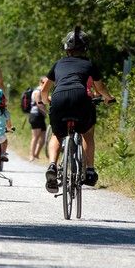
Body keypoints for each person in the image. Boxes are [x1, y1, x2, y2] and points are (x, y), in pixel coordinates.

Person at [39, 27, 115, 190]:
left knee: (57, 134)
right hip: (80, 97)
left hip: (58, 97)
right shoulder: (89, 64)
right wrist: (109, 98)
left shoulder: (58, 64)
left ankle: (52, 165)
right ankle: (89, 170)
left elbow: (44, 90)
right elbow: (100, 89)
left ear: (67, 49)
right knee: (87, 132)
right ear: (85, 48)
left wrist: (46, 101)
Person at [28, 76, 47, 161]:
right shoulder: (37, 92)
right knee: (35, 137)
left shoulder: (43, 91)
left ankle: (36, 154)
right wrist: (46, 112)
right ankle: (31, 155)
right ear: (40, 82)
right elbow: (39, 103)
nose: (45, 84)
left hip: (41, 116)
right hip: (35, 115)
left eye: (47, 82)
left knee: (43, 136)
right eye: (43, 82)